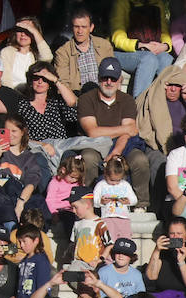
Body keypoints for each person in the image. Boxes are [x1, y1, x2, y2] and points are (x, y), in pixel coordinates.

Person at [78, 58, 151, 205]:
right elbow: (92, 132)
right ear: (99, 78)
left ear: (120, 80)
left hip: (122, 144)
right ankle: (91, 203)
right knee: (88, 158)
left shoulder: (127, 100)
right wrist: (123, 129)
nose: (109, 82)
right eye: (105, 78)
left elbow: (129, 132)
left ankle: (141, 204)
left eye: (113, 78)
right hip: (95, 145)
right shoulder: (86, 99)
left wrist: (116, 151)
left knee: (140, 160)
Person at [109, 0, 175, 99]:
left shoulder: (157, 3)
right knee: (148, 59)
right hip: (126, 52)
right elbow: (117, 37)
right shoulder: (123, 3)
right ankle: (139, 105)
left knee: (166, 58)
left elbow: (164, 31)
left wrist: (165, 45)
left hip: (152, 49)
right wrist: (140, 45)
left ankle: (160, 103)